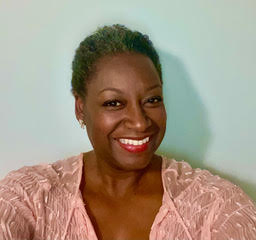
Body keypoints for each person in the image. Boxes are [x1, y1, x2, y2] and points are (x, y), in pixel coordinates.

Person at [0, 24, 255, 240]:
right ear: (81, 109)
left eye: (152, 100)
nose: (139, 122)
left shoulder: (216, 206)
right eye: (113, 103)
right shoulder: (31, 198)